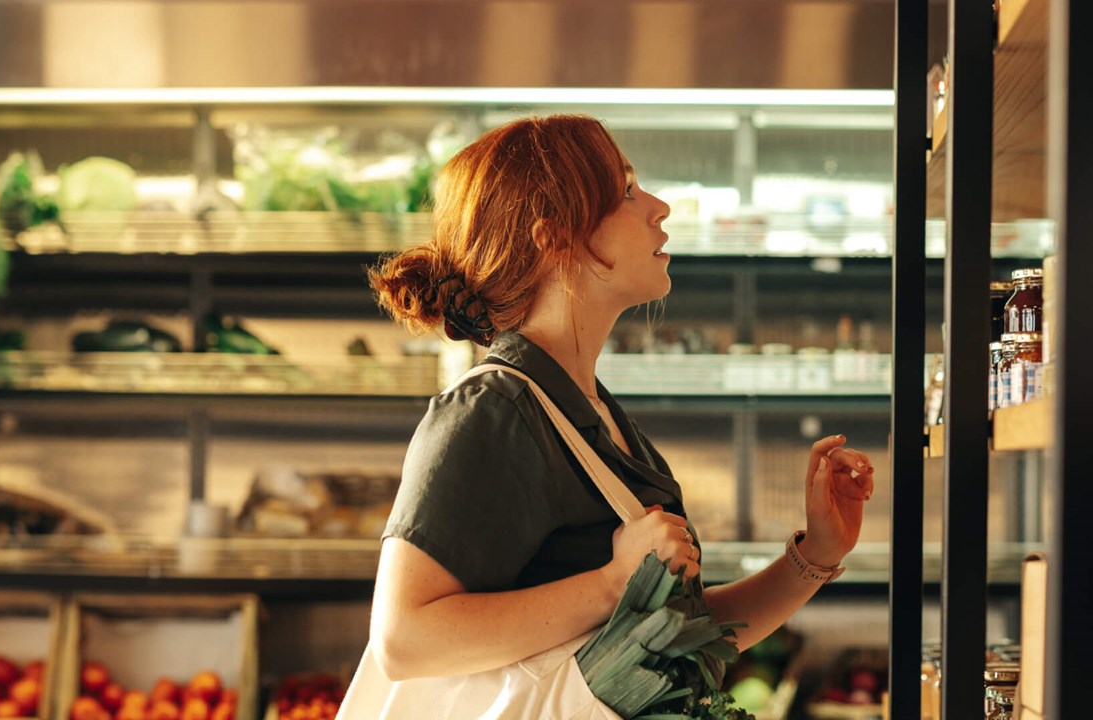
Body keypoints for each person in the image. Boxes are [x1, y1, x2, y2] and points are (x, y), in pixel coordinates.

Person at [365, 114, 878, 681]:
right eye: (626, 190)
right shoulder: (496, 410)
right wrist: (613, 583)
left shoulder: (588, 410)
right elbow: (404, 641)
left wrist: (815, 556)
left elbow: (682, 639)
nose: (659, 206)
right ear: (554, 239)